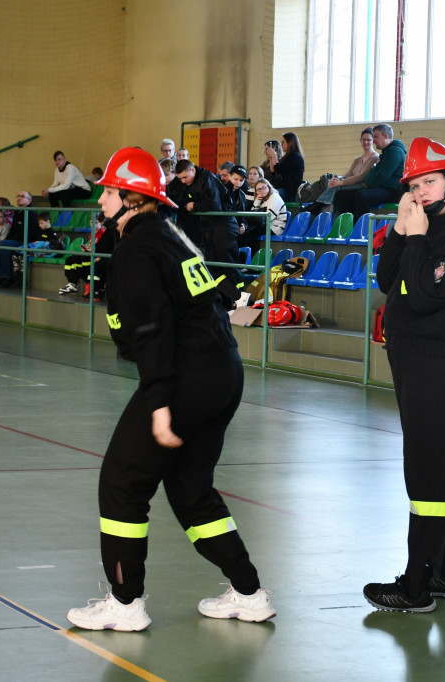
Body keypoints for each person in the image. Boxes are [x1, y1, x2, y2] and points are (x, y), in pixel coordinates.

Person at [66, 147, 275, 632]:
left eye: (109, 194)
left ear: (131, 198)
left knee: (122, 483)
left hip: (185, 378)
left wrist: (158, 403)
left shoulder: (136, 248)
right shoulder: (169, 234)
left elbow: (151, 332)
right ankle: (249, 592)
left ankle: (124, 603)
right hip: (223, 370)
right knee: (189, 488)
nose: (101, 203)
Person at [366, 137, 445, 613]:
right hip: (418, 355)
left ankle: (416, 585)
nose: (419, 191)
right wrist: (402, 232)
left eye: (428, 182)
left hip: (443, 359)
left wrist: (417, 238)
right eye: (414, 184)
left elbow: (423, 295)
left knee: (426, 472)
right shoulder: (427, 221)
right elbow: (387, 280)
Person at [173, 160, 243, 287]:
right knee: (211, 263)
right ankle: (228, 297)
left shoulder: (207, 178)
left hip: (224, 224)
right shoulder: (186, 183)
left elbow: (215, 206)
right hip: (209, 226)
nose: (183, 181)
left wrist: (194, 205)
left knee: (227, 261)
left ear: (192, 170)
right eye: (180, 178)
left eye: (185, 177)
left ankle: (241, 295)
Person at [333, 124, 408, 219]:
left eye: (375, 137)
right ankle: (345, 226)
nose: (374, 140)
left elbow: (382, 176)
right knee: (342, 195)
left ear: (385, 136)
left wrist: (368, 181)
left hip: (391, 191)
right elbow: (376, 174)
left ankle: (363, 228)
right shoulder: (387, 151)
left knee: (362, 196)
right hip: (382, 187)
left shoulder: (394, 152)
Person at [306, 128, 379, 207]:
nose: (366, 142)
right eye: (363, 139)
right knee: (333, 184)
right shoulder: (357, 159)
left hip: (362, 185)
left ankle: (320, 206)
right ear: (360, 140)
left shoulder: (374, 157)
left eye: (368, 140)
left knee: (337, 188)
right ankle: (324, 207)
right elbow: (347, 175)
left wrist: (341, 182)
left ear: (373, 141)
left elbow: (361, 177)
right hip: (352, 184)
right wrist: (336, 180)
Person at [60, 212, 116, 299]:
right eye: (91, 222)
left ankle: (92, 287)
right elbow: (99, 247)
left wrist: (98, 254)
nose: (93, 225)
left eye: (96, 222)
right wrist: (89, 249)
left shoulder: (106, 232)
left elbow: (108, 248)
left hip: (103, 257)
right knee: (70, 259)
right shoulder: (94, 233)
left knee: (89, 262)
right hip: (96, 254)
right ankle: (72, 283)